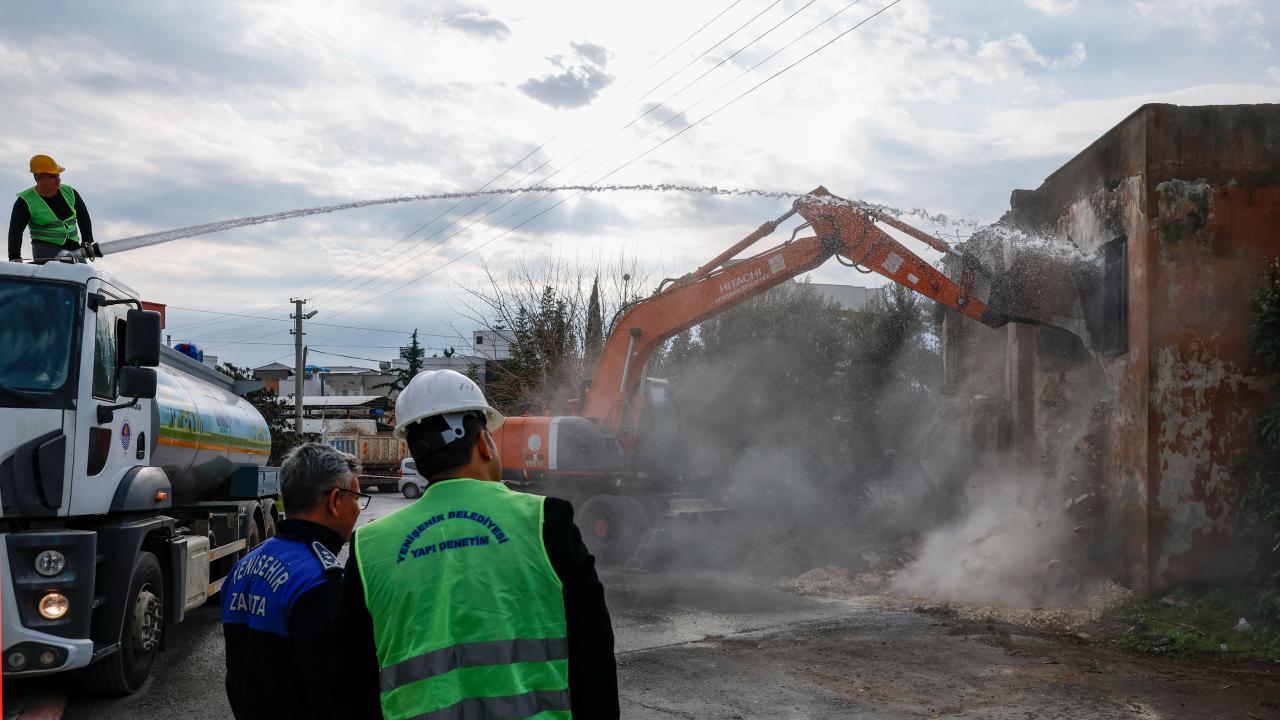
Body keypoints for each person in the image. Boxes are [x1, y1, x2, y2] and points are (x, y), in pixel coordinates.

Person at [336, 370, 619, 719]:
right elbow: (594, 656)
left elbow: (352, 684)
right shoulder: (547, 521)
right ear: (484, 442)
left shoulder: (369, 547)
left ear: (415, 452)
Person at [222, 443, 366, 719]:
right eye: (357, 498)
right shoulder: (320, 580)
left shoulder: (243, 567)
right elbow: (331, 692)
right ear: (335, 500)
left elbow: (236, 676)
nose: (359, 510)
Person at [8, 154, 97, 263]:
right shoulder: (24, 201)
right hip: (45, 250)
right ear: (38, 177)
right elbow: (15, 231)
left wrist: (87, 241)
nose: (58, 179)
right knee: (57, 273)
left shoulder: (70, 192)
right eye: (52, 176)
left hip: (74, 249)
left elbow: (83, 217)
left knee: (83, 273)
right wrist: (14, 257)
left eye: (58, 175)